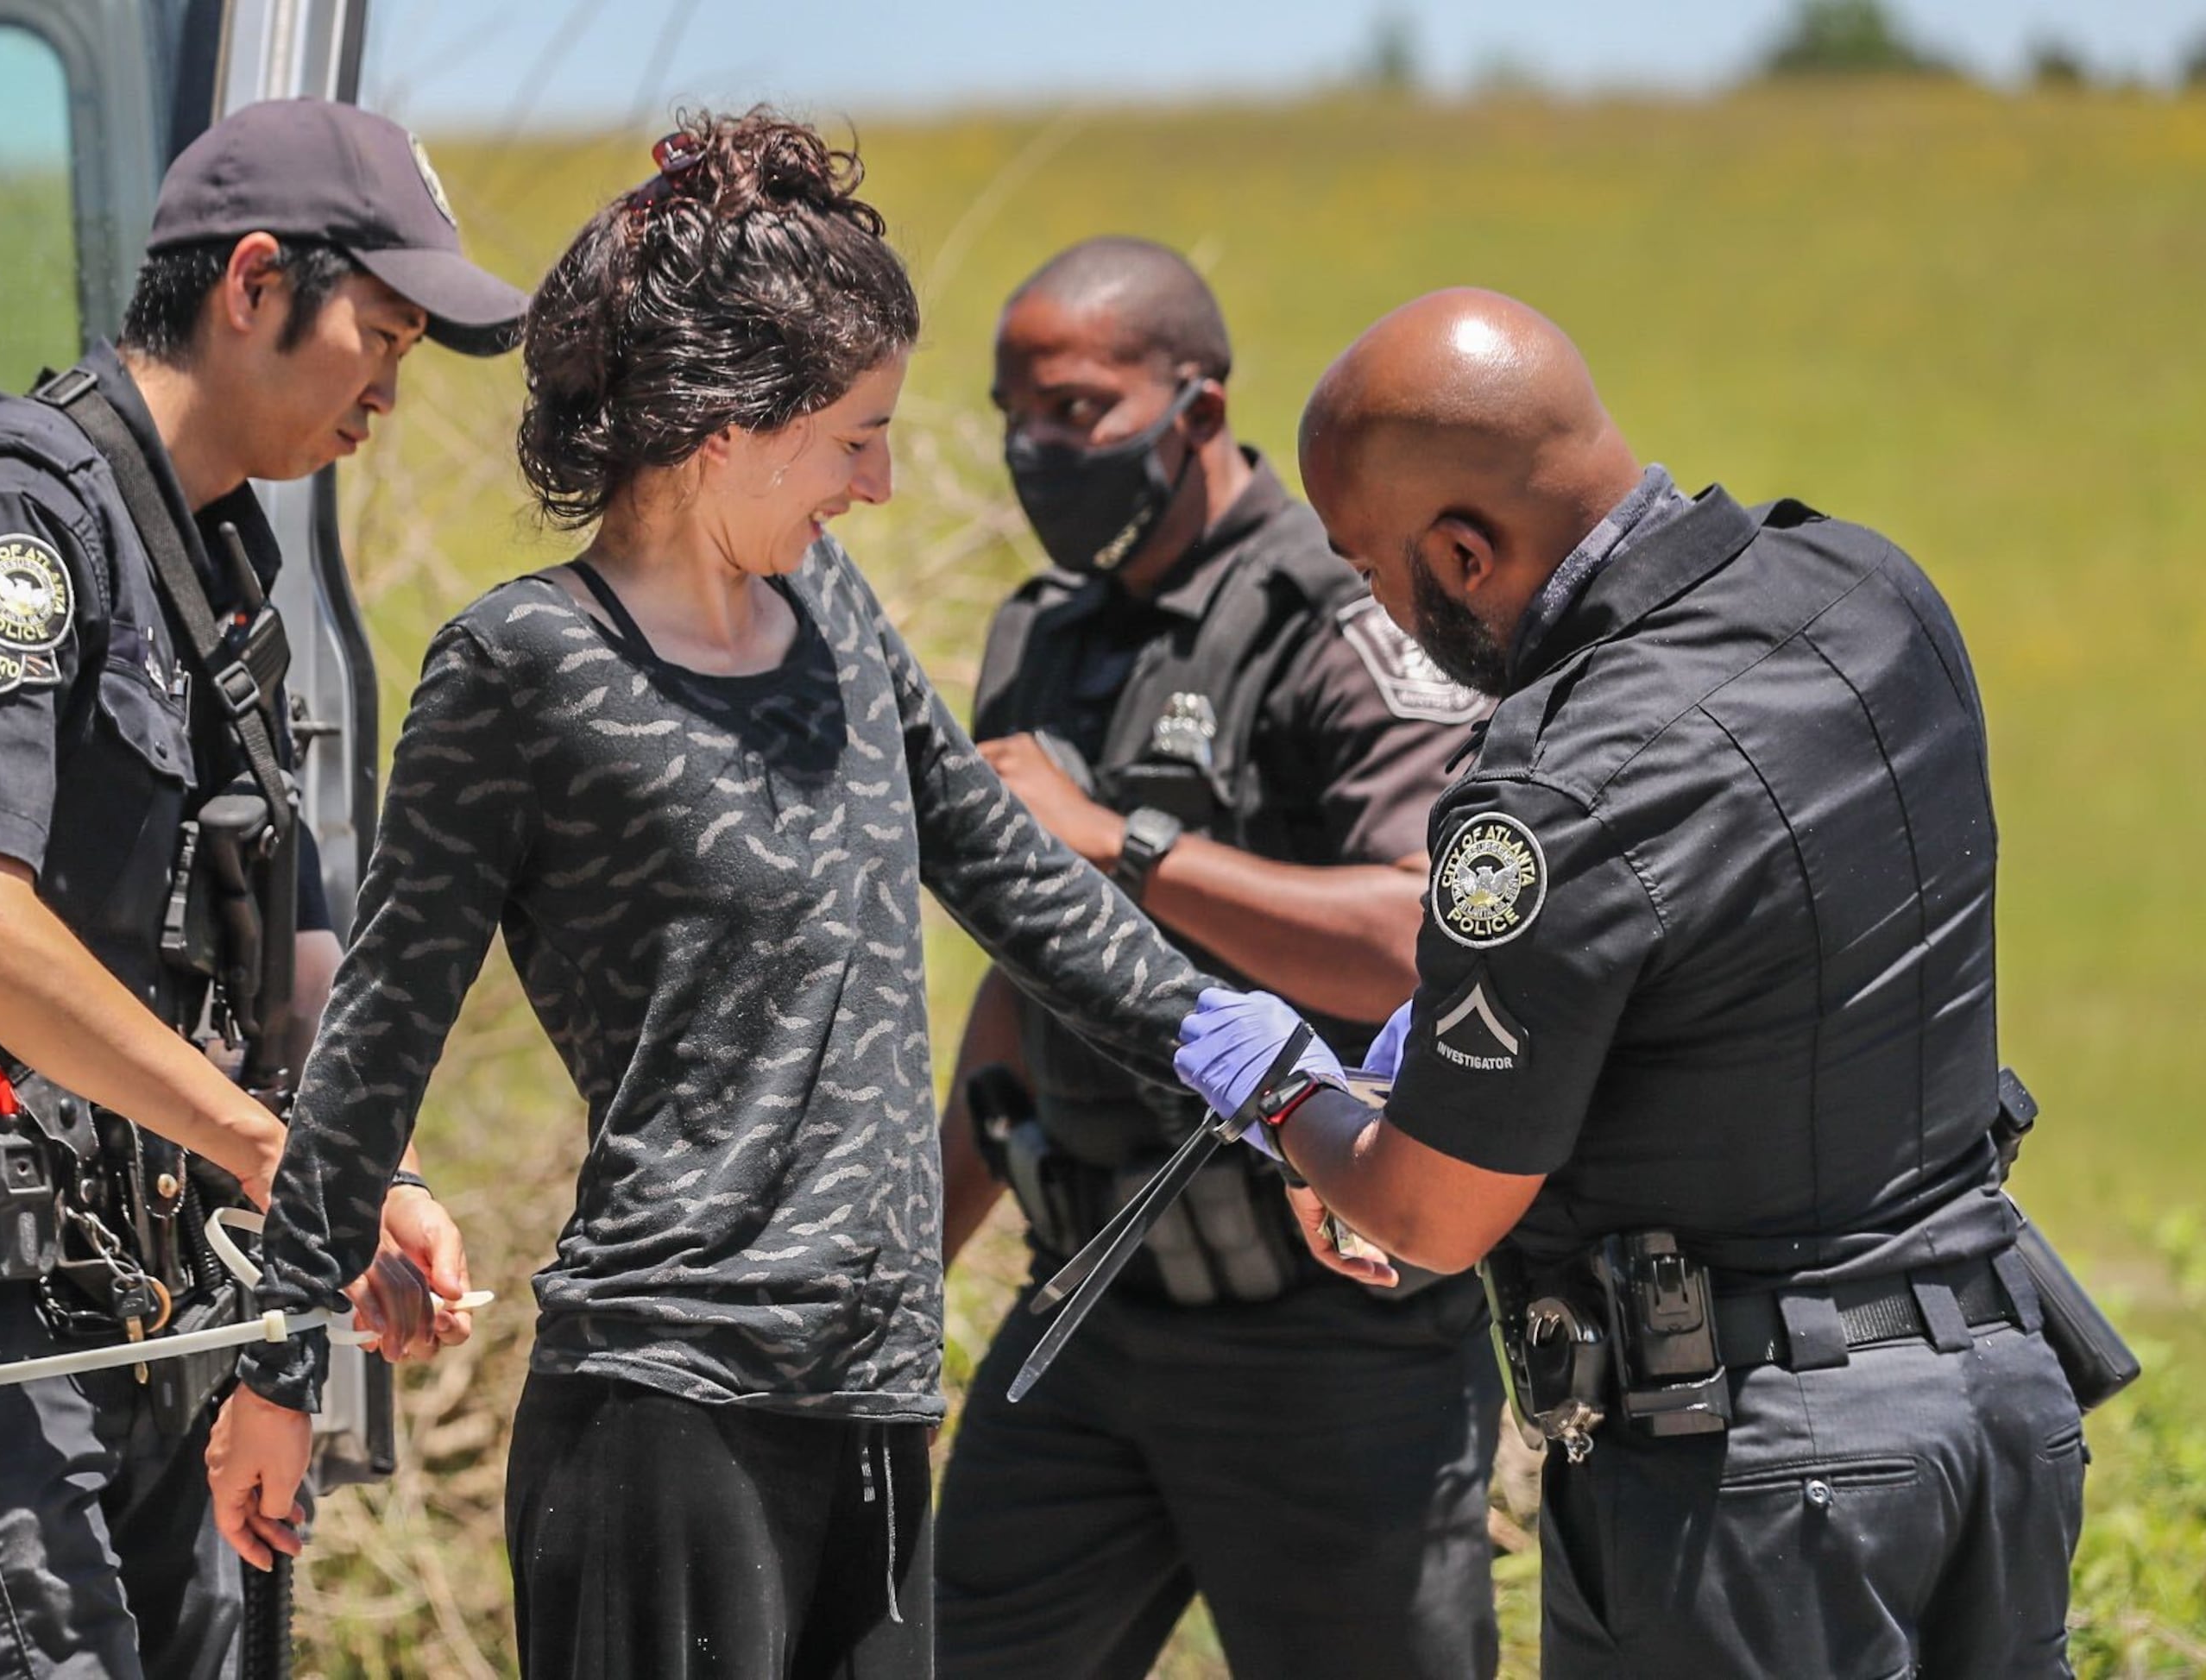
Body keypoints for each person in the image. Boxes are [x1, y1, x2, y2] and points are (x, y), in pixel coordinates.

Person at [199, 113, 1213, 1680]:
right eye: (854, 436)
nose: (878, 482)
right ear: (727, 428)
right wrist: (279, 1352)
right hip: (665, 1421)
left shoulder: (838, 617)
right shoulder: (523, 669)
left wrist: (1244, 1053)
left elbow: (1011, 873)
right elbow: (383, 1027)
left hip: (875, 1402)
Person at [1171, 288, 2085, 1677]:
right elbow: (1779, 952)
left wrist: (1291, 1095)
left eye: (1372, 568)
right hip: (1998, 1406)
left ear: (1466, 551)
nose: (1378, 604)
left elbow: (1430, 1212)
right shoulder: (1868, 587)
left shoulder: (1545, 798)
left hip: (1761, 1489)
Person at [0, 99, 525, 1678]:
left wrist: (379, 1180)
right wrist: (275, 1156)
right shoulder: (6, 518)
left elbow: (285, 937)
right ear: (253, 284)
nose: (391, 388)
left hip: (151, 1295)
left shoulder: (220, 559)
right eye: (376, 334)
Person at [932, 237, 1501, 1680]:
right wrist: (912, 1256)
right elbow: (1030, 968)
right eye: (1014, 413)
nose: (1034, 449)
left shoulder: (1341, 610)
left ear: (1196, 409)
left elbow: (1418, 940)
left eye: (1075, 411)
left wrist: (1120, 844)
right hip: (1087, 1316)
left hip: (1329, 1350)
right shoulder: (1041, 638)